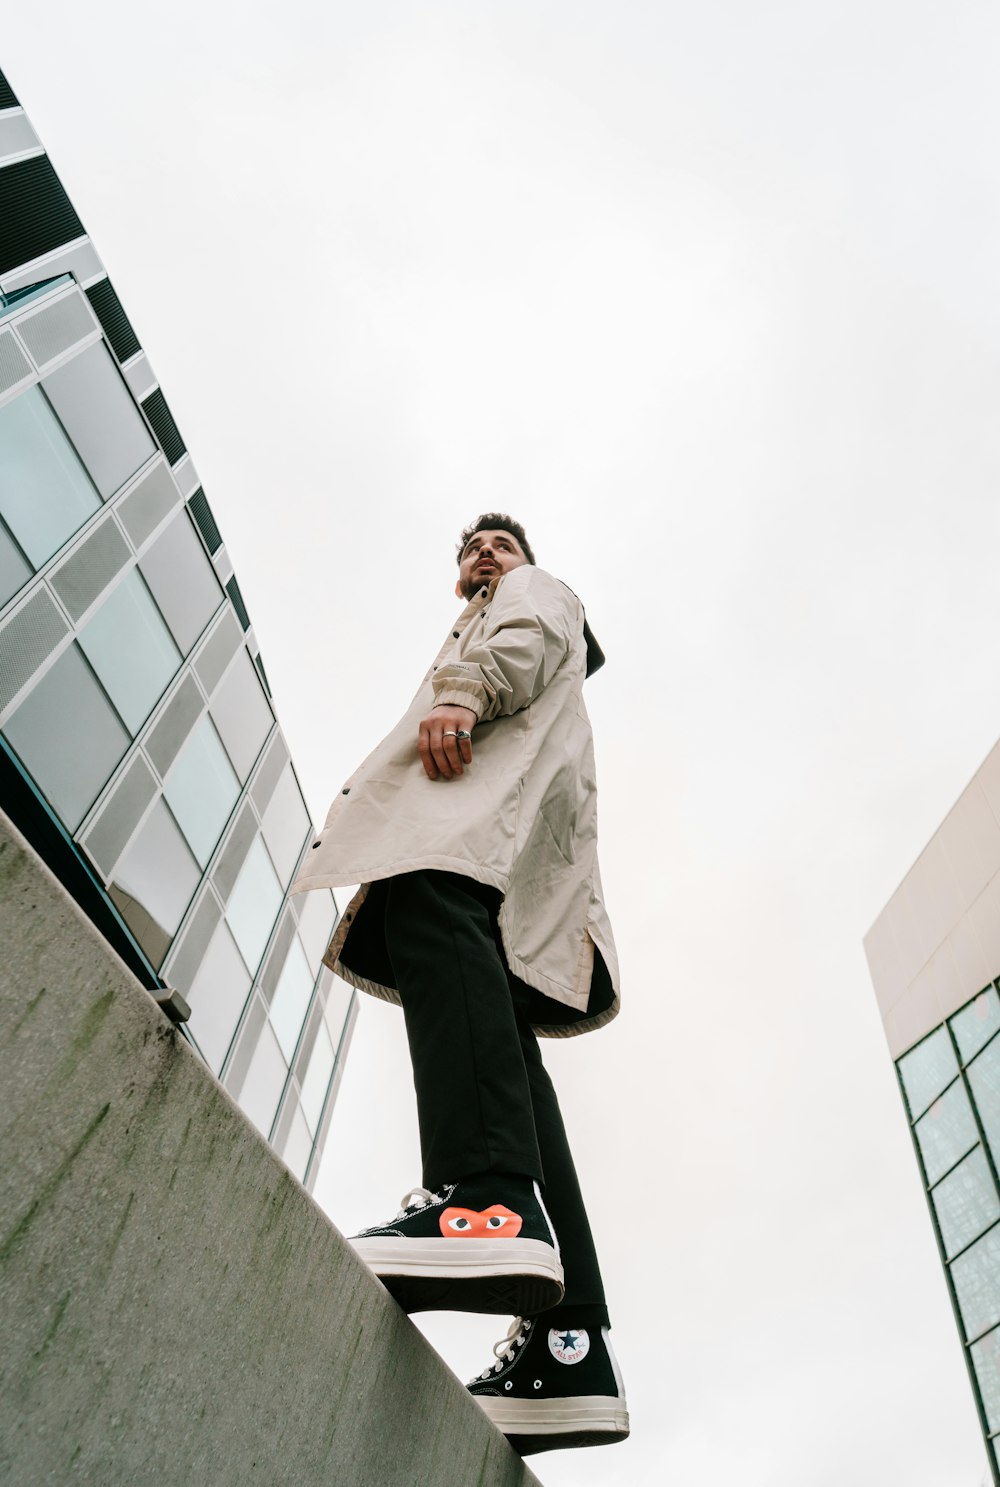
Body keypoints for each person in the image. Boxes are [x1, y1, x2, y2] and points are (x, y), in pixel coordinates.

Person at [292, 515, 628, 1455]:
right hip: (512, 841)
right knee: (509, 1066)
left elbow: (528, 635)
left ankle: (484, 1199)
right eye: (472, 550)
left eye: (500, 544)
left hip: (474, 811)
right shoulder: (494, 606)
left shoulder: (531, 595)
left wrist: (462, 692)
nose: (486, 555)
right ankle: (571, 1346)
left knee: (426, 897)